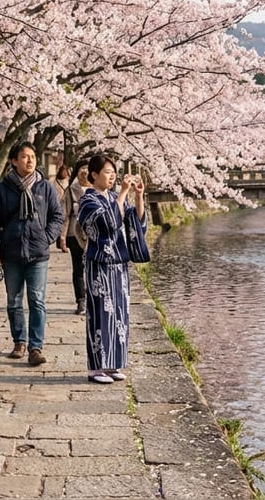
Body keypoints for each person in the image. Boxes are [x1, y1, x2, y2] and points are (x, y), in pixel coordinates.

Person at [0, 142, 64, 367]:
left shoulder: (45, 187)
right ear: (13, 161)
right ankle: (19, 341)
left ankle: (35, 347)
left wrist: (47, 236)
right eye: (24, 156)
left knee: (37, 300)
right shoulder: (2, 189)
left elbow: (57, 216)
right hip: (11, 253)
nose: (29, 160)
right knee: (14, 301)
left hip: (38, 253)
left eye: (32, 156)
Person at [78, 154, 145, 384]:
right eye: (107, 172)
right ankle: (96, 368)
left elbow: (135, 224)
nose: (112, 176)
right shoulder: (87, 201)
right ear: (94, 175)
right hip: (99, 265)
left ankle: (114, 364)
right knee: (101, 314)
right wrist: (124, 193)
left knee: (120, 315)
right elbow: (107, 223)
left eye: (113, 171)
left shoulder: (116, 197)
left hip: (119, 265)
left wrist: (138, 196)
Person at [57, 159, 90, 315]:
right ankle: (81, 301)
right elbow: (64, 215)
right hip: (73, 234)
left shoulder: (98, 189)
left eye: (88, 168)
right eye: (82, 168)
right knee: (78, 269)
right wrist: (62, 237)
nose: (85, 171)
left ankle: (93, 298)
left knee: (92, 268)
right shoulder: (71, 190)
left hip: (92, 235)